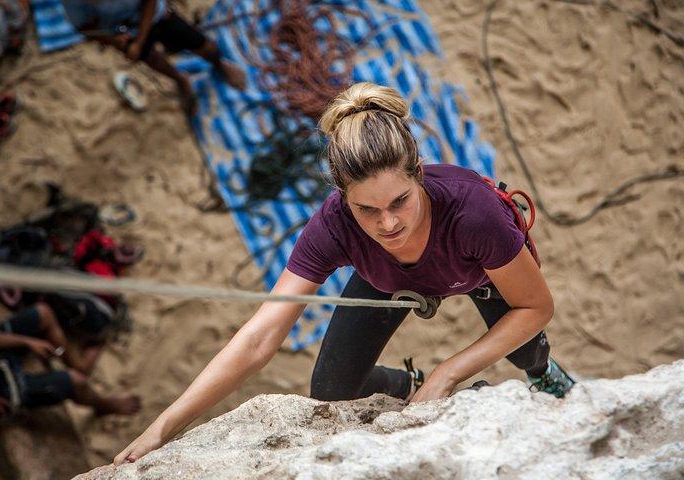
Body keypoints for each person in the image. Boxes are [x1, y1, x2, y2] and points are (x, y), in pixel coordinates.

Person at [114, 82, 575, 465]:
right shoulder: (333, 227)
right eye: (367, 210)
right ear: (341, 196)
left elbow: (536, 305)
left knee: (524, 351)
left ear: (417, 172)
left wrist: (448, 374)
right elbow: (259, 337)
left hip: (478, 271)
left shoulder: (472, 213)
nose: (389, 224)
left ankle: (543, 371)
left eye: (400, 201)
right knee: (332, 389)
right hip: (389, 280)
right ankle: (407, 385)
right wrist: (163, 426)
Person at [0, 304, 140, 431]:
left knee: (44, 313)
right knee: (76, 382)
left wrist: (26, 342)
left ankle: (78, 364)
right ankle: (103, 405)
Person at [61, 0, 246, 114]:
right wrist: (112, 39)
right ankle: (181, 80)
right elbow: (84, 28)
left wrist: (139, 42)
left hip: (156, 16)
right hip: (126, 31)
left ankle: (220, 65)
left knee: (205, 47)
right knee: (152, 60)